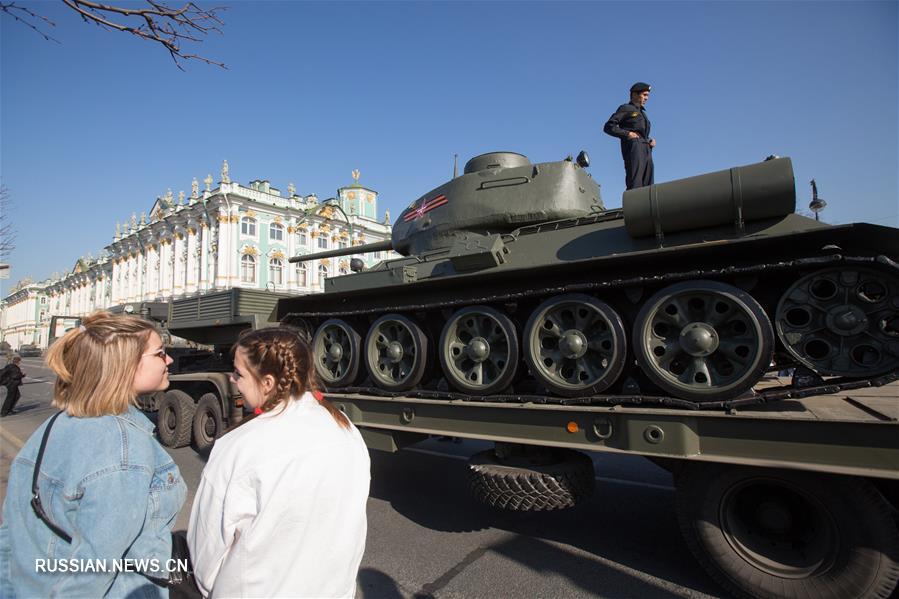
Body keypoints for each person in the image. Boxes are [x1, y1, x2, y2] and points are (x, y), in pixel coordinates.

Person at [0, 311, 186, 598]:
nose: (169, 360)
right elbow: (93, 570)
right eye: (160, 354)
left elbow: (12, 536)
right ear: (125, 366)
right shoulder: (123, 445)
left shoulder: (54, 425)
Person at [187, 327, 370, 598]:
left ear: (268, 383)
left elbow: (205, 560)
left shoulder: (239, 446)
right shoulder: (347, 432)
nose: (232, 378)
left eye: (239, 373)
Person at [604, 81, 656, 190]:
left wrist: (649, 140)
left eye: (648, 96)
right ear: (634, 95)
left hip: (646, 149)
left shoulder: (643, 114)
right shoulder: (626, 108)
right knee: (635, 184)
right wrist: (627, 134)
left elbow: (641, 132)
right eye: (644, 95)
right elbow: (608, 127)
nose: (647, 98)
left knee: (649, 186)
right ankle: (635, 206)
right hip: (635, 148)